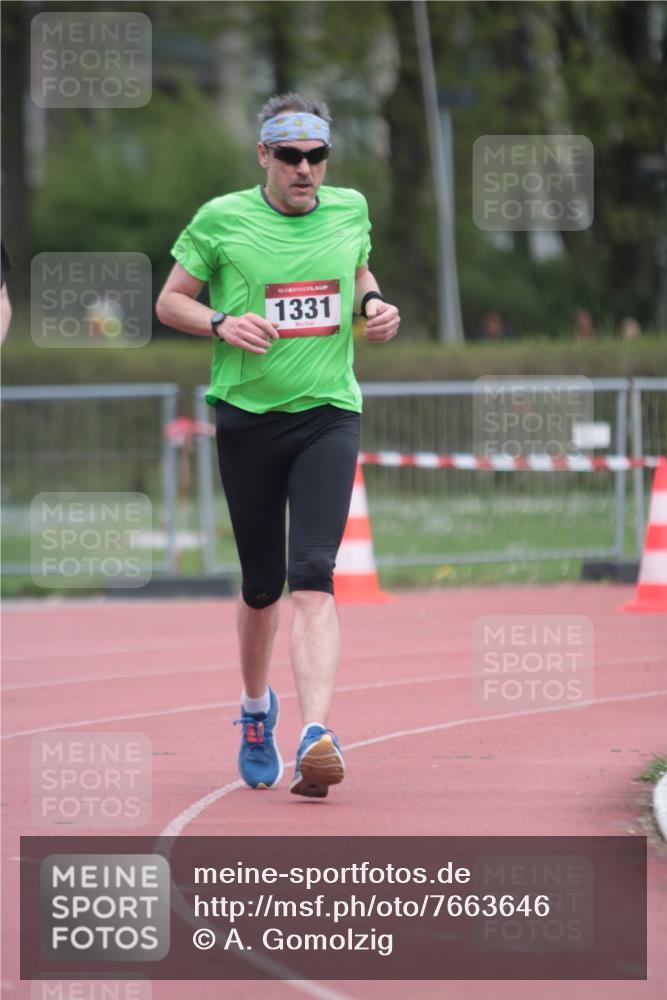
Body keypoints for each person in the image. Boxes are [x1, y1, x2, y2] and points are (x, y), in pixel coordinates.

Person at [156, 93, 400, 797]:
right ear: (263, 154)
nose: (304, 169)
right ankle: (256, 710)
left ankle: (314, 734)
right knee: (262, 585)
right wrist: (222, 321)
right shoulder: (220, 219)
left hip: (328, 411)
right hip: (246, 417)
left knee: (314, 574)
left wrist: (372, 306)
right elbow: (170, 300)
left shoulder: (349, 208)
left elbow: (356, 270)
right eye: (289, 156)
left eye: (315, 156)